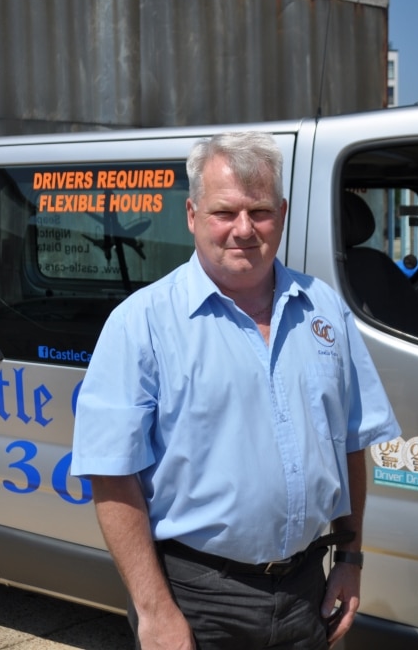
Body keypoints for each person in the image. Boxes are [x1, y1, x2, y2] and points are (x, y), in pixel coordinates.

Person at [70, 131, 401, 649]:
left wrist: (350, 559)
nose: (244, 229)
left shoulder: (326, 311)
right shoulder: (142, 324)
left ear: (283, 213)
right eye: (225, 212)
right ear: (192, 215)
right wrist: (154, 611)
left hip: (305, 588)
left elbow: (353, 443)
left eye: (260, 211)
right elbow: (112, 475)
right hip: (199, 596)